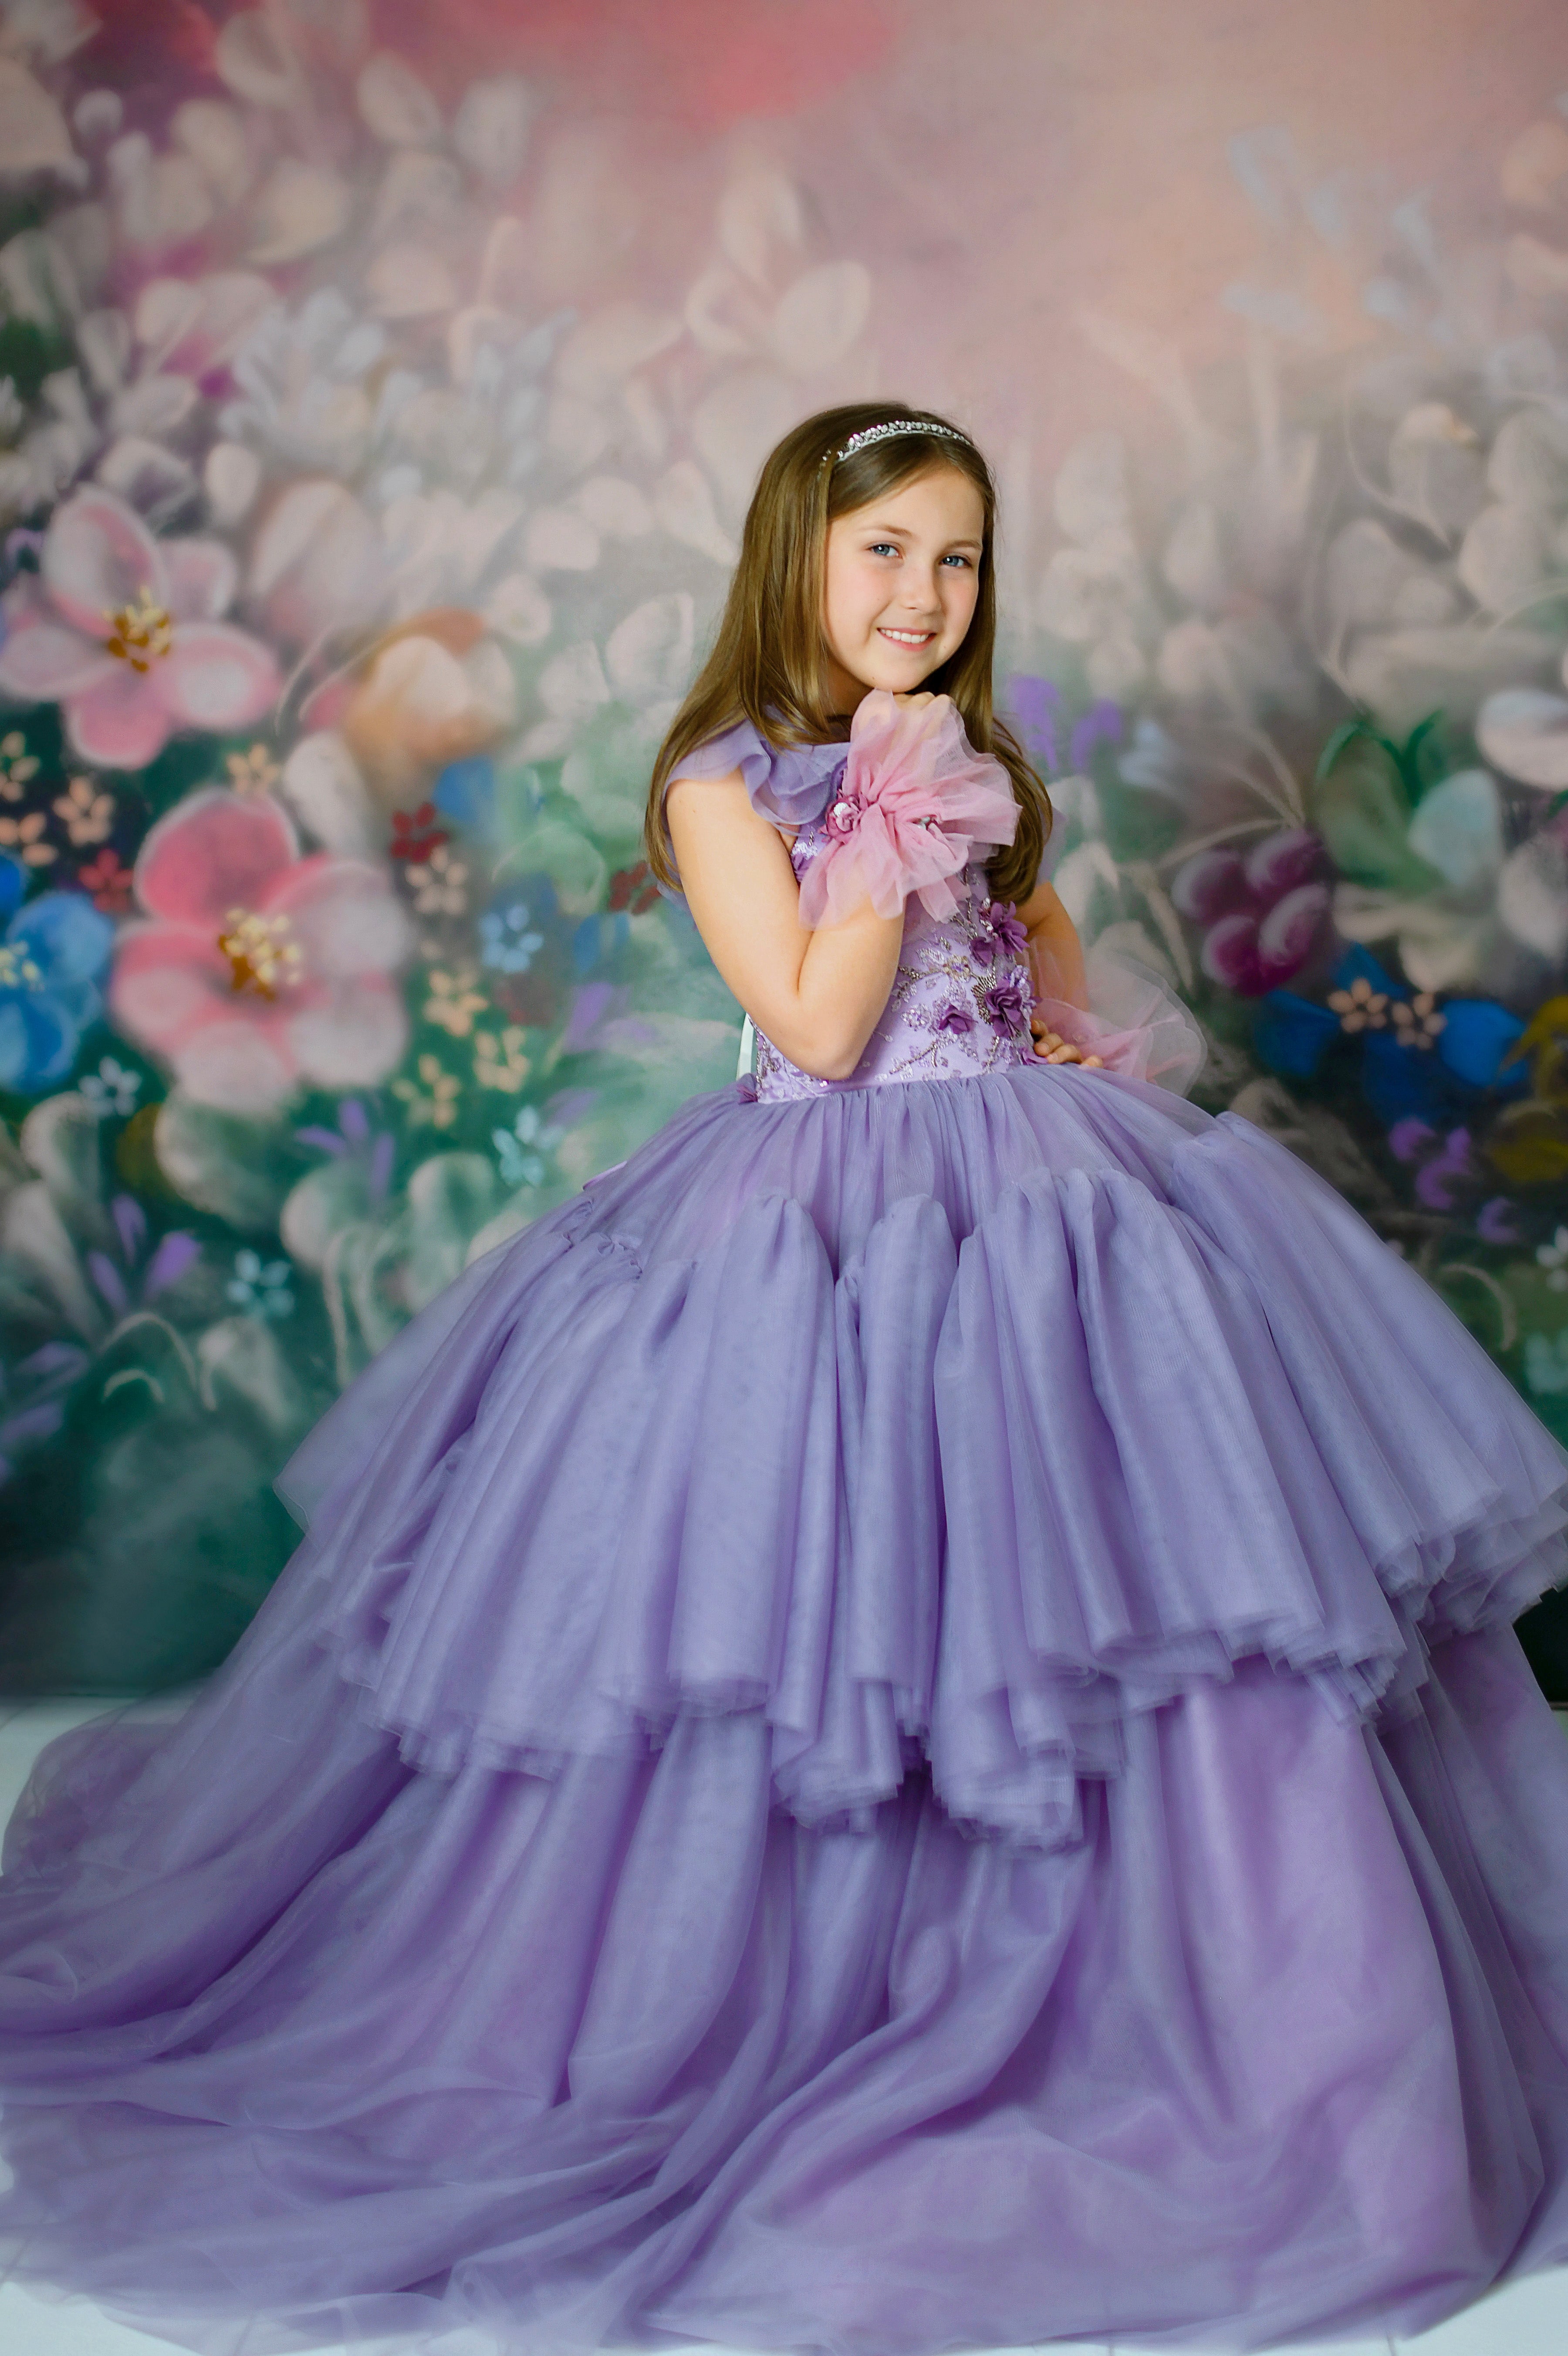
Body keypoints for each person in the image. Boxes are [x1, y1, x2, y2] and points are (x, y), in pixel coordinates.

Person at [2, 400, 1568, 2356]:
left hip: (1031, 1216)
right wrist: (896, 821)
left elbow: (1047, 990)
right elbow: (820, 1030)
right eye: (884, 551)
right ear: (797, 564)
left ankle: (1208, 1976)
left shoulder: (978, 764)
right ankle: (801, 1966)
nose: (924, 593)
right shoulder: (719, 786)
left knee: (1116, 1593)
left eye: (959, 556)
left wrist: (1050, 1024)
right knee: (812, 1615)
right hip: (811, 1229)